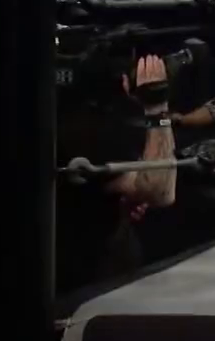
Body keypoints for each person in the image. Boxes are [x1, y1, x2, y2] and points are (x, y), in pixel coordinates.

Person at [55, 56, 177, 297]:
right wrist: (157, 109)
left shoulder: (58, 123)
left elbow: (132, 183)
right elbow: (161, 191)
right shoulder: (82, 131)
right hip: (85, 279)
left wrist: (128, 191)